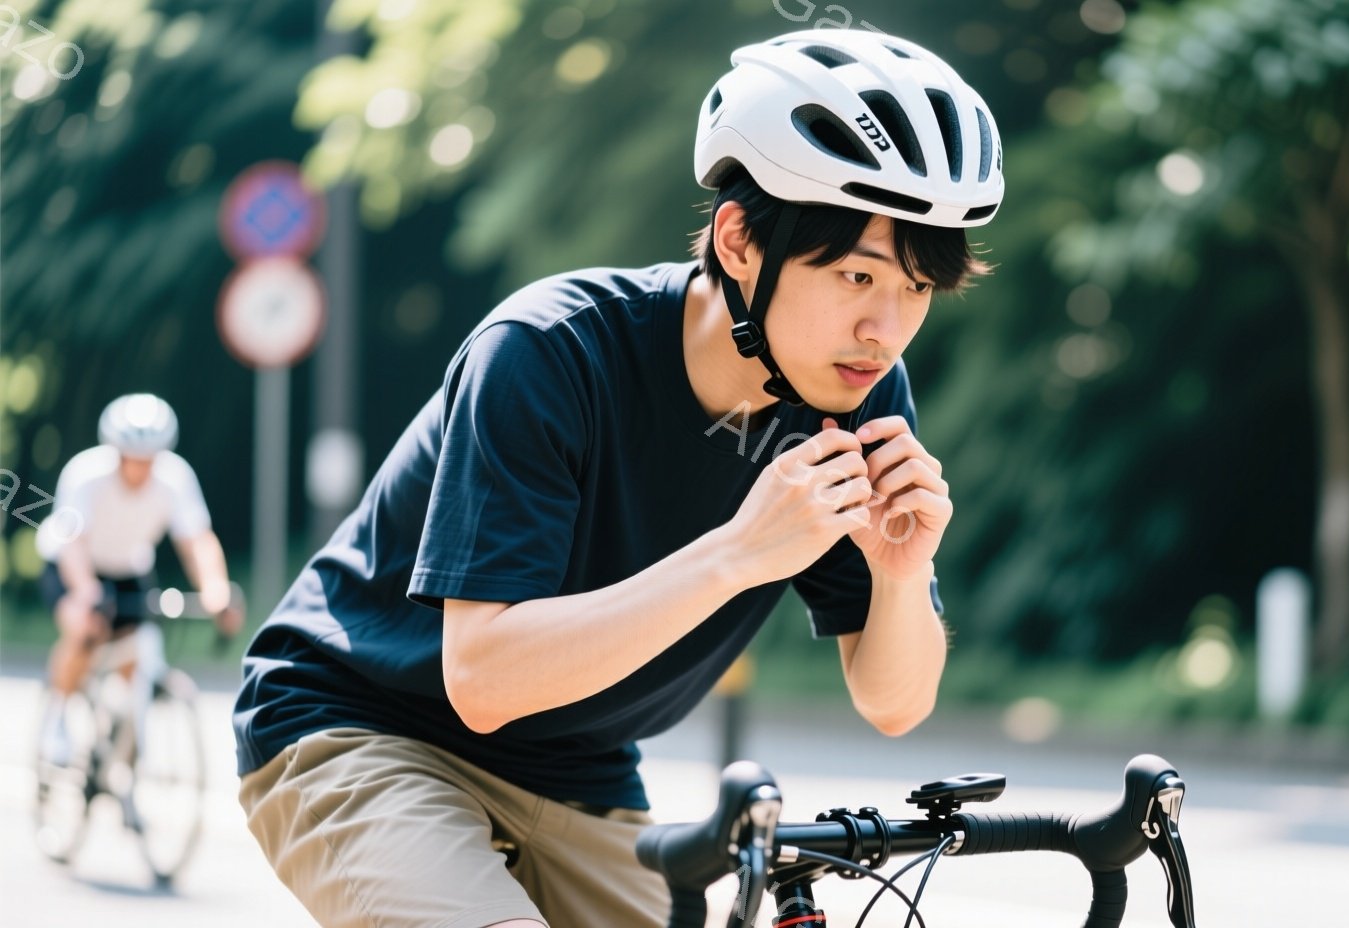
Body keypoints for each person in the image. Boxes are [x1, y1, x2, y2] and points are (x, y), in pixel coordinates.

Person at [233, 27, 1004, 928]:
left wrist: (901, 575)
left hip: (581, 768)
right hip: (363, 723)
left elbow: (893, 704)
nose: (887, 326)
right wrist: (739, 554)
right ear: (740, 241)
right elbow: (483, 681)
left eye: (915, 288)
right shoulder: (548, 354)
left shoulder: (860, 396)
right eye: (857, 274)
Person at [37, 393, 243, 765]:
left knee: (137, 656)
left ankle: (124, 749)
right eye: (133, 459)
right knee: (86, 627)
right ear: (116, 452)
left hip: (129, 566)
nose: (141, 469)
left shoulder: (175, 478)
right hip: (73, 563)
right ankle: (58, 715)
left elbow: (197, 540)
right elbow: (72, 544)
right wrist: (86, 591)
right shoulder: (85, 474)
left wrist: (216, 589)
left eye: (150, 459)